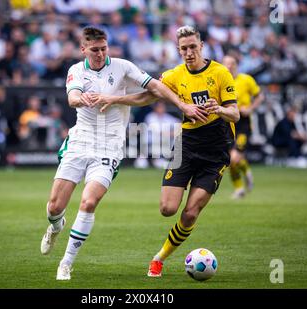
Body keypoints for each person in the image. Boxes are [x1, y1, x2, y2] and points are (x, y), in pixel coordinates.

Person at [39, 27, 207, 281]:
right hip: (80, 141)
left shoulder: (123, 66)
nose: (100, 54)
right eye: (94, 50)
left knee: (88, 202)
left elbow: (155, 87)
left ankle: (66, 262)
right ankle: (55, 225)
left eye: (103, 48)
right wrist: (87, 98)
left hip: (110, 144)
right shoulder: (76, 70)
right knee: (55, 206)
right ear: (83, 49)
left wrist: (182, 105)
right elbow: (72, 98)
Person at [93, 25, 240, 277]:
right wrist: (115, 99)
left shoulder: (220, 73)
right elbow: (146, 97)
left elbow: (235, 113)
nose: (189, 52)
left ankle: (159, 258)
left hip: (216, 151)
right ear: (178, 50)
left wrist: (220, 110)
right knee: (167, 209)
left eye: (193, 47)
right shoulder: (173, 76)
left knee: (191, 212)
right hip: (186, 145)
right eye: (184, 48)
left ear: (201, 46)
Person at [222, 55, 264, 199]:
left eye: (232, 63)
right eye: (226, 64)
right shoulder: (220, 80)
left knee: (234, 158)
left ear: (236, 65)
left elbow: (260, 96)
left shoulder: (246, 79)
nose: (229, 66)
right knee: (230, 159)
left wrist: (251, 108)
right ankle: (240, 187)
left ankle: (243, 178)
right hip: (227, 123)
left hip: (243, 123)